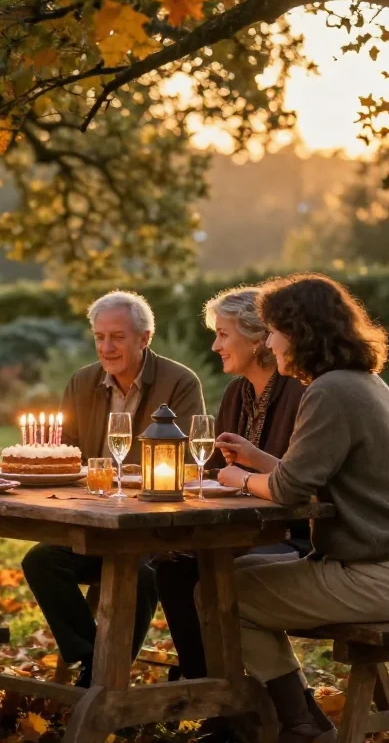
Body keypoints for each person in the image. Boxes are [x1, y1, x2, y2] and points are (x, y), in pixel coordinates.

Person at [214, 273, 389, 743]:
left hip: (376, 576)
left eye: (275, 329)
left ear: (299, 332)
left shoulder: (330, 390)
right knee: (233, 577)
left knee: (218, 595)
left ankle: (300, 722)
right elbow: (312, 474)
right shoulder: (363, 382)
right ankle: (298, 716)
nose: (270, 341)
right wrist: (259, 461)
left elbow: (291, 490)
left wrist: (238, 478)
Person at [21, 290, 205, 688]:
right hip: (94, 521)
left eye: (118, 337)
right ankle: (95, 660)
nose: (107, 347)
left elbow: (186, 459)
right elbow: (66, 452)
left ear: (144, 338)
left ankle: (101, 679)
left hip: (153, 528)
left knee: (140, 574)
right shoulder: (82, 382)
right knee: (41, 561)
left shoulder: (178, 382)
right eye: (100, 337)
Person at [151, 286, 308, 684]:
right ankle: (205, 683)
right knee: (172, 564)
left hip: (294, 532)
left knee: (201, 571)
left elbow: (299, 482)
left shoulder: (301, 391)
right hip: (241, 526)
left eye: (223, 334)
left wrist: (239, 477)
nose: (216, 345)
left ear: (258, 338)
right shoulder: (237, 393)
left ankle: (223, 693)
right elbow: (216, 471)